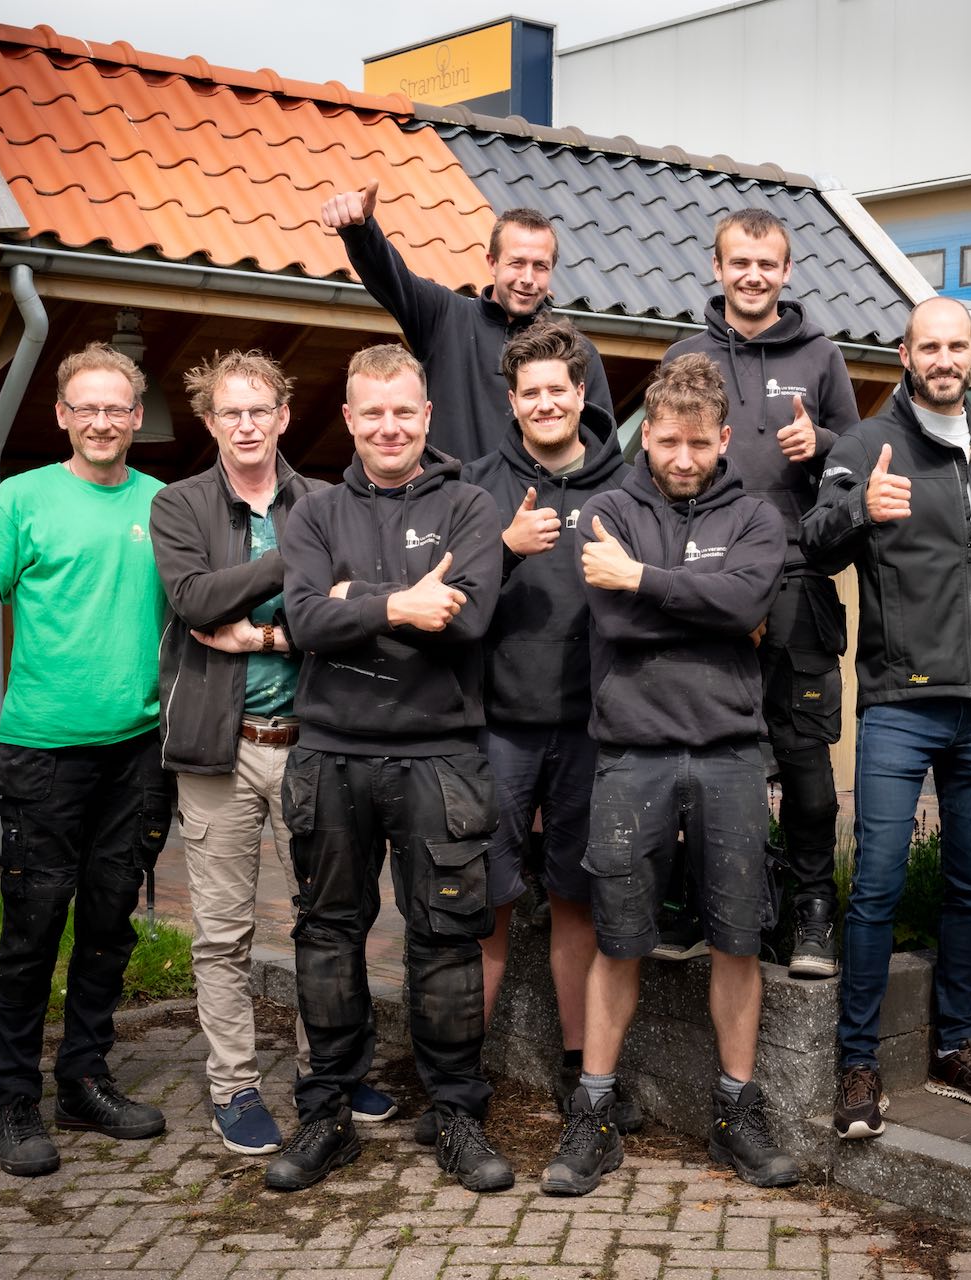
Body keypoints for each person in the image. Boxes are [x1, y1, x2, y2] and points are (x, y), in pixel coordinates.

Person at [540, 353, 793, 1196]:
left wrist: (647, 580)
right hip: (632, 755)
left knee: (737, 937)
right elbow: (614, 614)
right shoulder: (607, 508)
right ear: (645, 434)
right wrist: (695, 597)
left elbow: (747, 604)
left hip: (728, 753)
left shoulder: (757, 516)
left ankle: (735, 1113)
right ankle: (596, 1111)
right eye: (667, 441)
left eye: (698, 443)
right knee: (619, 939)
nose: (682, 457)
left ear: (724, 439)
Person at [804, 297, 971, 1141]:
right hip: (901, 703)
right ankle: (860, 1064)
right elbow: (814, 541)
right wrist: (860, 511)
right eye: (928, 345)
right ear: (905, 354)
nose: (944, 358)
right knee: (873, 886)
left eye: (957, 345)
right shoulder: (868, 445)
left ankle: (954, 1049)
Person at [267, 344, 512, 1193]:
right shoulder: (314, 514)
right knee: (327, 936)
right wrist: (403, 603)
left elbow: (472, 617)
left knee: (445, 940)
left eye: (403, 410)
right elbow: (301, 619)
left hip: (438, 756)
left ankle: (454, 1113)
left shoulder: (471, 506)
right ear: (348, 419)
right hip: (330, 753)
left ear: (427, 414)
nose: (389, 426)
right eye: (372, 412)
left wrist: (352, 604)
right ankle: (326, 1111)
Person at [149, 350, 400, 1157]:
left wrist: (259, 629)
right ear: (211, 422)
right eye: (231, 413)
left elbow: (352, 606)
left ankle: (329, 1068)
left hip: (315, 743)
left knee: (330, 921)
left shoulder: (328, 498)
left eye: (261, 411)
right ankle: (234, 1085)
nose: (247, 426)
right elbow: (192, 598)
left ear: (285, 416)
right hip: (219, 750)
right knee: (221, 932)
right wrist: (294, 561)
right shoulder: (181, 504)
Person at [0, 343, 173, 1179]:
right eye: (87, 407)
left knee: (110, 925)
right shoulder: (26, 500)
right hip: (43, 754)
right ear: (63, 415)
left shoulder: (164, 504)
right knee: (32, 930)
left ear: (137, 417)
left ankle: (84, 1081)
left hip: (141, 755)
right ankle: (14, 1101)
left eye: (118, 408)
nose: (103, 421)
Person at [663, 209, 861, 977]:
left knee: (806, 762)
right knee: (703, 752)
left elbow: (860, 458)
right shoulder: (687, 356)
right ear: (717, 268)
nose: (753, 275)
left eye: (767, 263)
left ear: (786, 270)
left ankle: (813, 914)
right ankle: (696, 902)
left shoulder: (821, 357)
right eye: (739, 262)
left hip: (797, 582)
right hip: (707, 581)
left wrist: (825, 446)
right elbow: (661, 459)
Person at [461, 319, 637, 1132]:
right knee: (485, 903)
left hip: (592, 728)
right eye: (529, 392)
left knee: (576, 900)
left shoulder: (623, 487)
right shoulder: (477, 486)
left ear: (581, 397)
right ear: (513, 401)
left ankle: (581, 1073)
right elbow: (449, 601)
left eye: (557, 390)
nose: (544, 403)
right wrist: (504, 548)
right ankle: (462, 1082)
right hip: (499, 726)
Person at [319, 179, 613, 461]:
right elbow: (390, 276)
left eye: (540, 266)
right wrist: (360, 231)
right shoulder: (444, 317)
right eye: (517, 263)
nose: (527, 279)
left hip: (537, 508)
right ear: (492, 263)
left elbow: (600, 449)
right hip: (450, 509)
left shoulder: (576, 351)